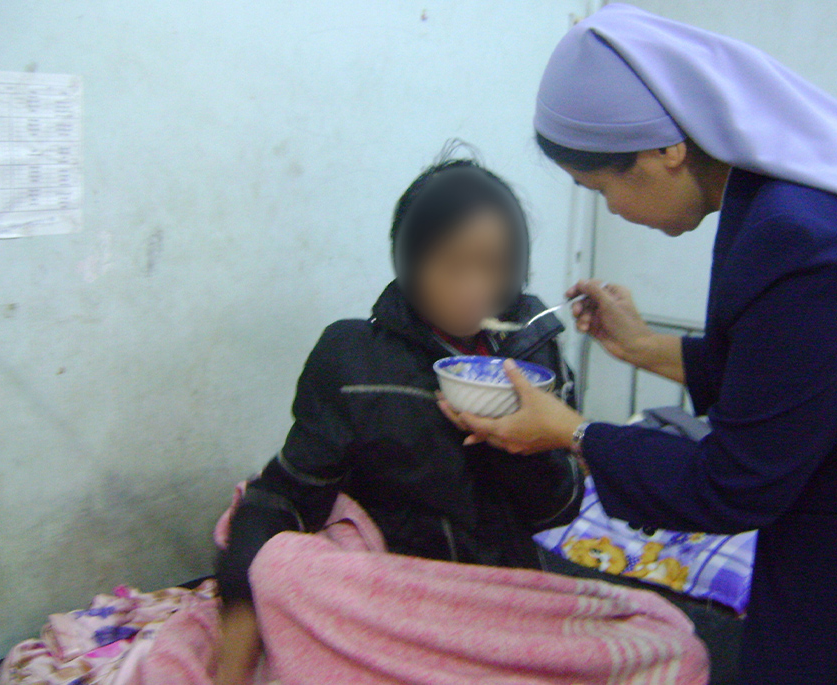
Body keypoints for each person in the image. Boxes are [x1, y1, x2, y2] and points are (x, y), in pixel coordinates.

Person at [439, 6, 837, 684]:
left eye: (601, 188)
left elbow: (733, 484)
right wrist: (643, 347)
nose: (611, 211)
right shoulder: (797, 196)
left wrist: (572, 432)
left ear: (666, 150)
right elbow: (800, 375)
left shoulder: (804, 243)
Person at [213, 153, 585, 684]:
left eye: (495, 266)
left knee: (673, 649)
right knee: (271, 558)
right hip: (390, 590)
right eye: (452, 265)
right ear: (407, 260)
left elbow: (560, 506)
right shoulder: (354, 358)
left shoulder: (535, 355)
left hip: (501, 594)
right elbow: (290, 494)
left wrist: (514, 442)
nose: (474, 287)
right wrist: (241, 615)